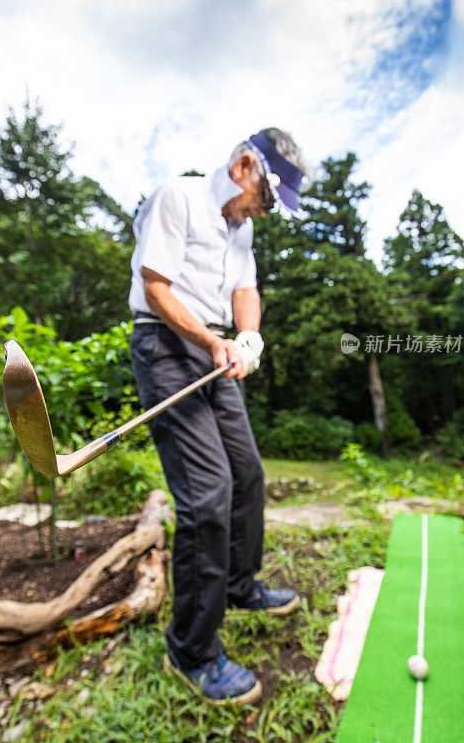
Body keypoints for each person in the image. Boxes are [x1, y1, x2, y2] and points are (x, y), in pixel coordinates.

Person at [129, 127, 309, 704]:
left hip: (216, 352)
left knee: (248, 475)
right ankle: (191, 648)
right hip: (168, 345)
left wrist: (248, 336)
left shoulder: (243, 226)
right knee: (208, 494)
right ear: (244, 167)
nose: (267, 211)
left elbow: (245, 290)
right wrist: (214, 340)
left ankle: (238, 585)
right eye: (267, 196)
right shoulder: (175, 198)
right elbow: (156, 288)